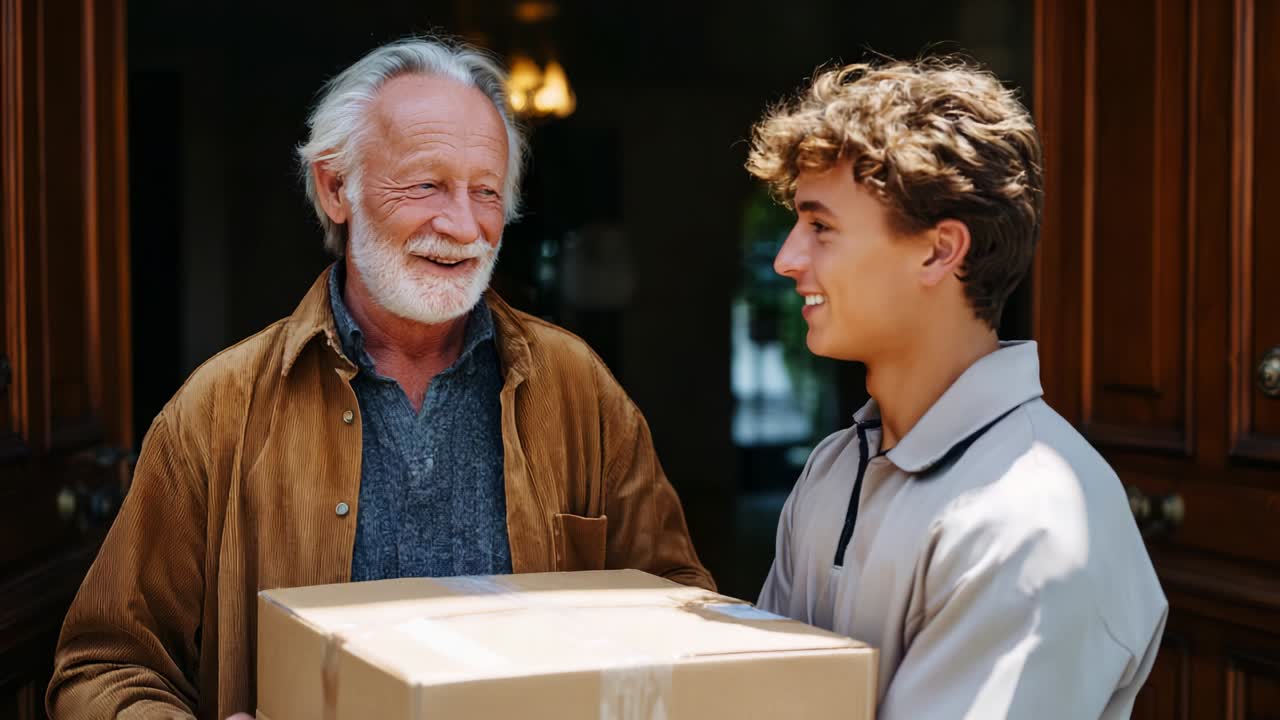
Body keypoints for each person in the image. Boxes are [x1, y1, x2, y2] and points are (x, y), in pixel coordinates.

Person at [48, 37, 712, 719]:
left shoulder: (579, 389)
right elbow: (104, 665)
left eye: (484, 191)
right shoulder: (218, 410)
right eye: (426, 185)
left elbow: (683, 615)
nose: (462, 226)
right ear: (336, 187)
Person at [749, 58, 1167, 719]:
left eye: (821, 226)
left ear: (940, 251)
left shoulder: (1030, 521)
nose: (787, 258)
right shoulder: (832, 470)